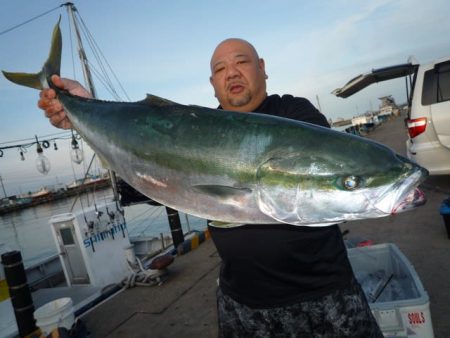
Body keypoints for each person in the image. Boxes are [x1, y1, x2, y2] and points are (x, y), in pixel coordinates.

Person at [38, 38, 383, 338]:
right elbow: (145, 188)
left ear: (263, 69)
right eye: (220, 69)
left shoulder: (295, 115)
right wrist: (79, 106)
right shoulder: (189, 130)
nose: (231, 72)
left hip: (324, 293)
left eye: (242, 62)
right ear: (213, 84)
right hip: (241, 303)